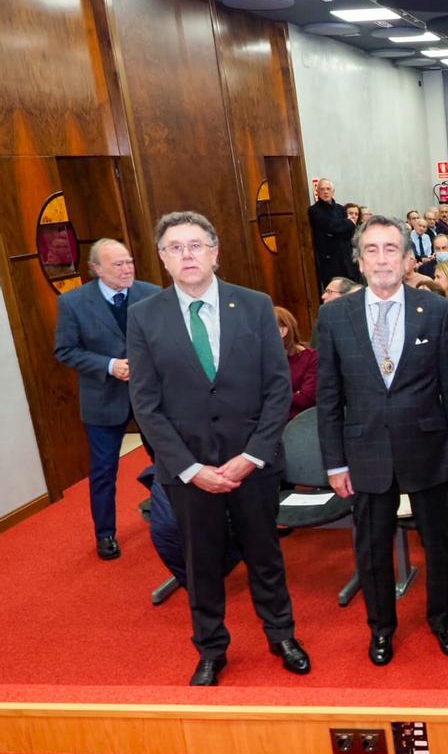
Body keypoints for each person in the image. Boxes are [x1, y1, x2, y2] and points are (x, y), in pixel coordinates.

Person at [127, 211, 309, 686]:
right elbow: (145, 404)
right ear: (163, 259)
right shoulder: (144, 316)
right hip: (189, 471)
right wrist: (189, 468)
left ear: (215, 251)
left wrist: (252, 456)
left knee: (264, 554)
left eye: (195, 245)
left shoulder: (254, 306)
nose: (187, 255)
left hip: (252, 463)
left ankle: (281, 633)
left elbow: (276, 389)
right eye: (175, 247)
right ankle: (211, 647)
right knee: (201, 562)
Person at [316, 215, 448, 668]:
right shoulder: (334, 315)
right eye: (372, 250)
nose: (381, 258)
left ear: (406, 260)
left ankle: (442, 620)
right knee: (372, 547)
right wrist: (334, 463)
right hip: (364, 452)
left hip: (427, 447)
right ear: (359, 261)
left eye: (390, 250)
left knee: (438, 544)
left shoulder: (436, 309)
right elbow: (329, 396)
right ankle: (381, 628)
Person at [54, 238, 159, 560]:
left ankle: (175, 513)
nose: (127, 269)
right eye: (118, 264)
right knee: (103, 471)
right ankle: (105, 534)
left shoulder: (152, 293)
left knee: (169, 459)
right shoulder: (73, 303)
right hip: (103, 399)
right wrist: (109, 366)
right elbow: (65, 350)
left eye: (129, 261)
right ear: (97, 269)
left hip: (150, 395)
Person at [308, 179, 357, 286]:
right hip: (330, 261)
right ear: (317, 192)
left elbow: (350, 231)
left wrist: (339, 229)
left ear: (333, 191)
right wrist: (346, 224)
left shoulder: (341, 209)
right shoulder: (314, 210)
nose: (325, 192)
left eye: (328, 189)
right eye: (322, 189)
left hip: (346, 258)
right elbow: (330, 226)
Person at [275, 306, 318, 420]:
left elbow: (306, 398)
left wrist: (271, 396)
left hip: (299, 424)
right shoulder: (260, 358)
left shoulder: (311, 357)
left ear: (282, 331)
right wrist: (293, 394)